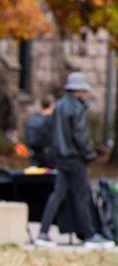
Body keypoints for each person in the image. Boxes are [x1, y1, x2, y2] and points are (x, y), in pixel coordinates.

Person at [34, 72, 115, 249]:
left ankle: (42, 233)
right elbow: (80, 135)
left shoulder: (59, 105)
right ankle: (90, 235)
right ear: (81, 89)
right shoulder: (77, 107)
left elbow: (52, 132)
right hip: (76, 159)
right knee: (82, 196)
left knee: (57, 194)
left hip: (61, 159)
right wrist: (89, 154)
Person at [24, 94, 56, 168]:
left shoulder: (34, 118)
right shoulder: (52, 119)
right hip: (50, 155)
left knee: (35, 177)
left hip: (35, 154)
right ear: (51, 105)